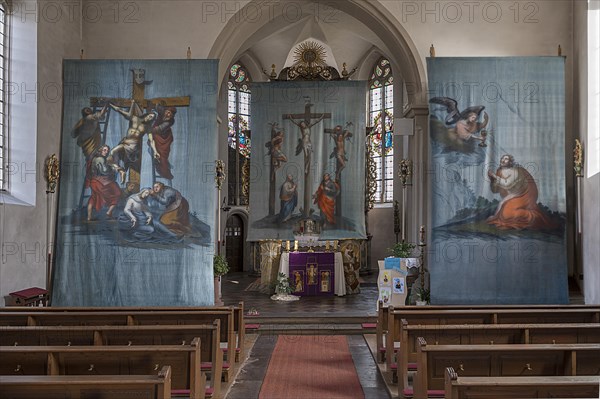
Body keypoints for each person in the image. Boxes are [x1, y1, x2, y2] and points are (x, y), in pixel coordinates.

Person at [487, 154, 557, 230]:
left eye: (506, 159)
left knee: (507, 212)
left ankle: (535, 217)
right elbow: (495, 190)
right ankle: (510, 220)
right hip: (512, 195)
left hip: (522, 195)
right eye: (502, 158)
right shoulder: (499, 172)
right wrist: (492, 180)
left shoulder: (515, 171)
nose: (503, 160)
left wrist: (494, 176)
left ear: (510, 162)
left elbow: (507, 184)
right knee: (502, 206)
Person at [109, 100, 157, 183]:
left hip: (134, 146)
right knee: (112, 152)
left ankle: (122, 170)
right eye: (150, 115)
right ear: (147, 115)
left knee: (131, 163)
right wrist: (111, 105)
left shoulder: (147, 127)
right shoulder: (135, 118)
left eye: (152, 118)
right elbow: (120, 111)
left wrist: (155, 151)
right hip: (125, 142)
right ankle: (121, 170)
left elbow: (151, 140)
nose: (150, 117)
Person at [86, 145, 122, 221]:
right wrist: (114, 168)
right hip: (100, 181)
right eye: (104, 150)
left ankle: (89, 217)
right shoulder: (100, 159)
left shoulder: (95, 158)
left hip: (94, 181)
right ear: (100, 150)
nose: (106, 152)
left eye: (107, 150)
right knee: (117, 192)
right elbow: (104, 171)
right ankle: (109, 212)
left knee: (93, 197)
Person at [148, 104, 177, 180]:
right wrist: (151, 108)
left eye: (170, 114)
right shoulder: (161, 111)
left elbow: (156, 130)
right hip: (156, 136)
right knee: (157, 152)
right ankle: (162, 162)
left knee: (162, 154)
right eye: (167, 112)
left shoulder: (169, 122)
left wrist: (148, 127)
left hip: (165, 138)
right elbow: (156, 105)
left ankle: (165, 171)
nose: (168, 114)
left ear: (172, 116)